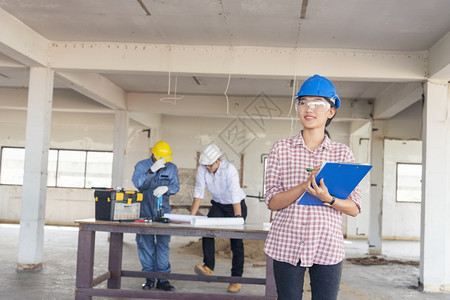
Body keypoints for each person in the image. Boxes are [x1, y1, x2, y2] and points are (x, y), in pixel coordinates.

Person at [264, 75, 362, 300]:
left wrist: (329, 198)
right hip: (286, 243)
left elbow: (355, 208)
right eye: (303, 102)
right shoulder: (281, 149)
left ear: (331, 111)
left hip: (327, 244)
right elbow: (272, 202)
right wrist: (304, 185)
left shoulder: (342, 154)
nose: (309, 108)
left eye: (318, 103)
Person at [189, 143, 248, 293]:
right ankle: (208, 267)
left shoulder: (230, 170)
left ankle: (236, 279)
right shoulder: (202, 169)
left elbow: (235, 195)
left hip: (236, 205)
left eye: (210, 165)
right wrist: (191, 218)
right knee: (207, 231)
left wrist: (238, 219)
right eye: (205, 165)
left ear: (218, 160)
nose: (208, 168)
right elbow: (198, 194)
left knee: (236, 242)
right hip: (219, 205)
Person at [132, 140, 180, 291]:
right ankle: (149, 279)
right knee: (145, 245)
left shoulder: (172, 168)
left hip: (163, 211)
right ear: (154, 155)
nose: (164, 162)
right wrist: (151, 172)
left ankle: (163, 280)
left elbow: (175, 186)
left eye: (166, 159)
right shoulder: (141, 166)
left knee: (163, 245)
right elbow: (138, 184)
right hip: (144, 210)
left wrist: (167, 188)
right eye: (161, 159)